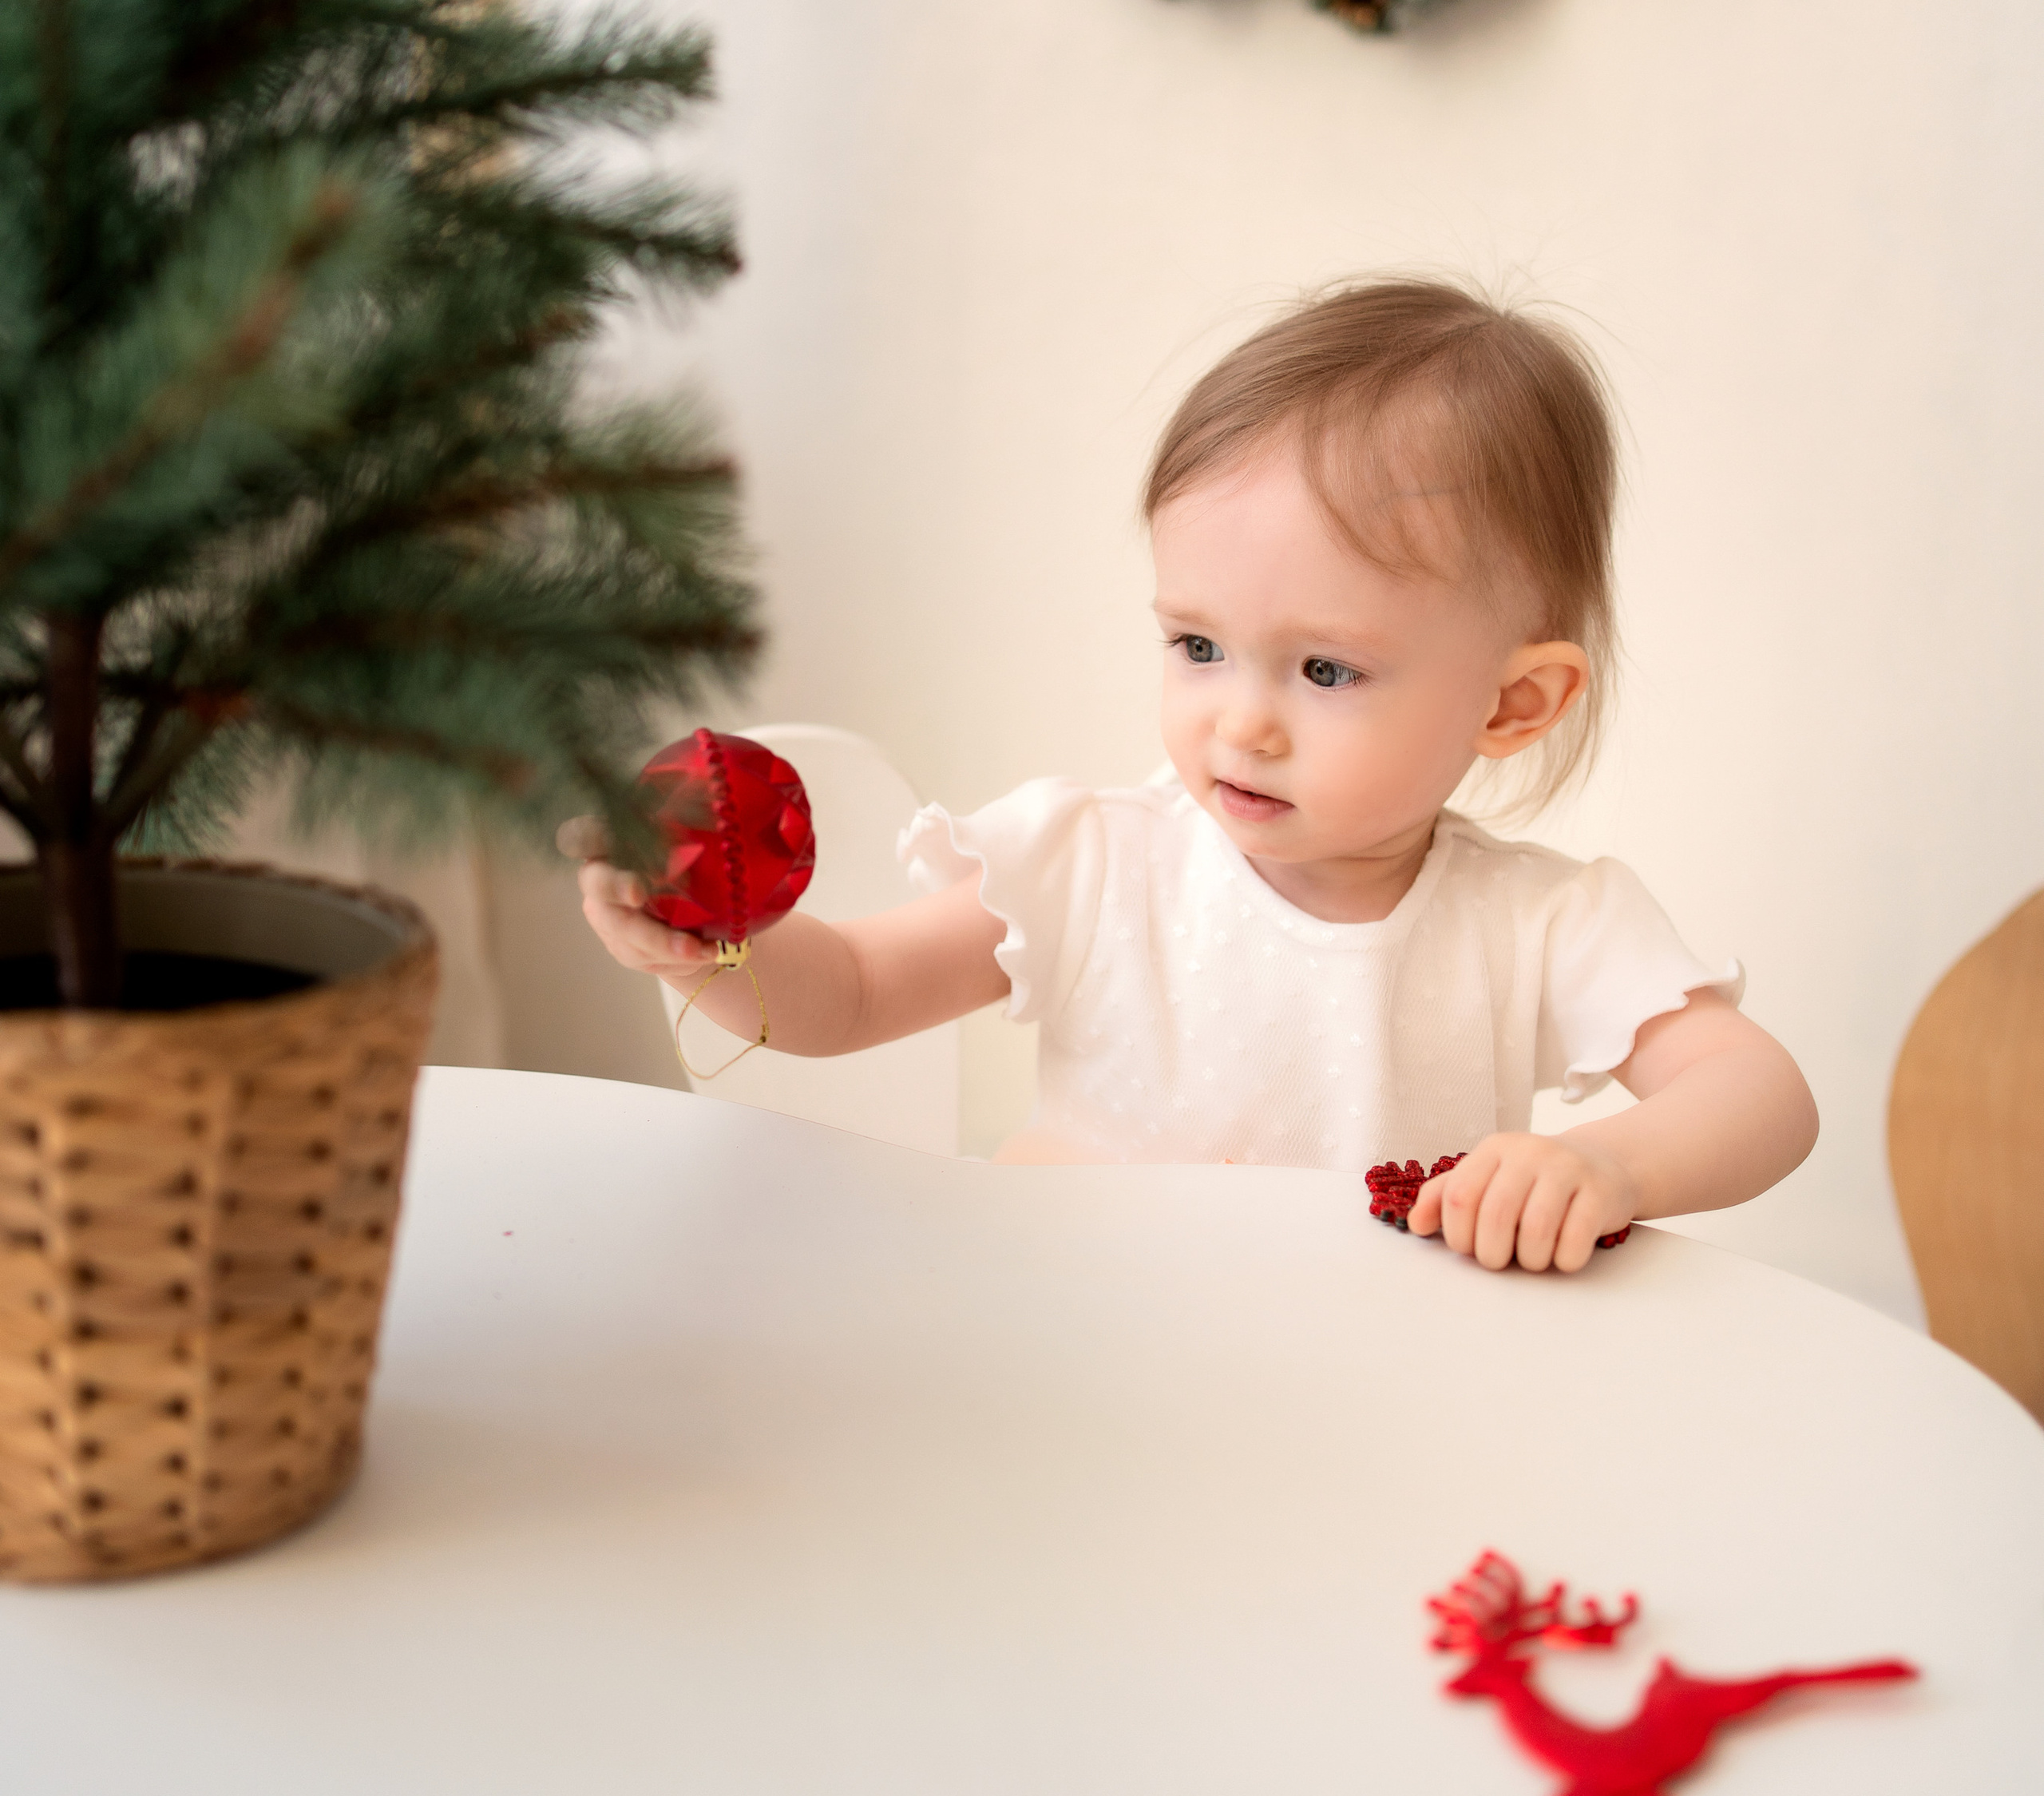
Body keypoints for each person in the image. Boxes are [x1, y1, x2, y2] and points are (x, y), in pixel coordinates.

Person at [578, 281, 1816, 1275]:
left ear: (1511, 704)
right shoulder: (1098, 860)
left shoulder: (1538, 925)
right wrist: (720, 945)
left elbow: (1759, 1095)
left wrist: (1611, 1167)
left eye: (1326, 670)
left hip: (1367, 1410)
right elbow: (847, 995)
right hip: (1081, 1371)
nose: (1243, 724)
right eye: (1200, 647)